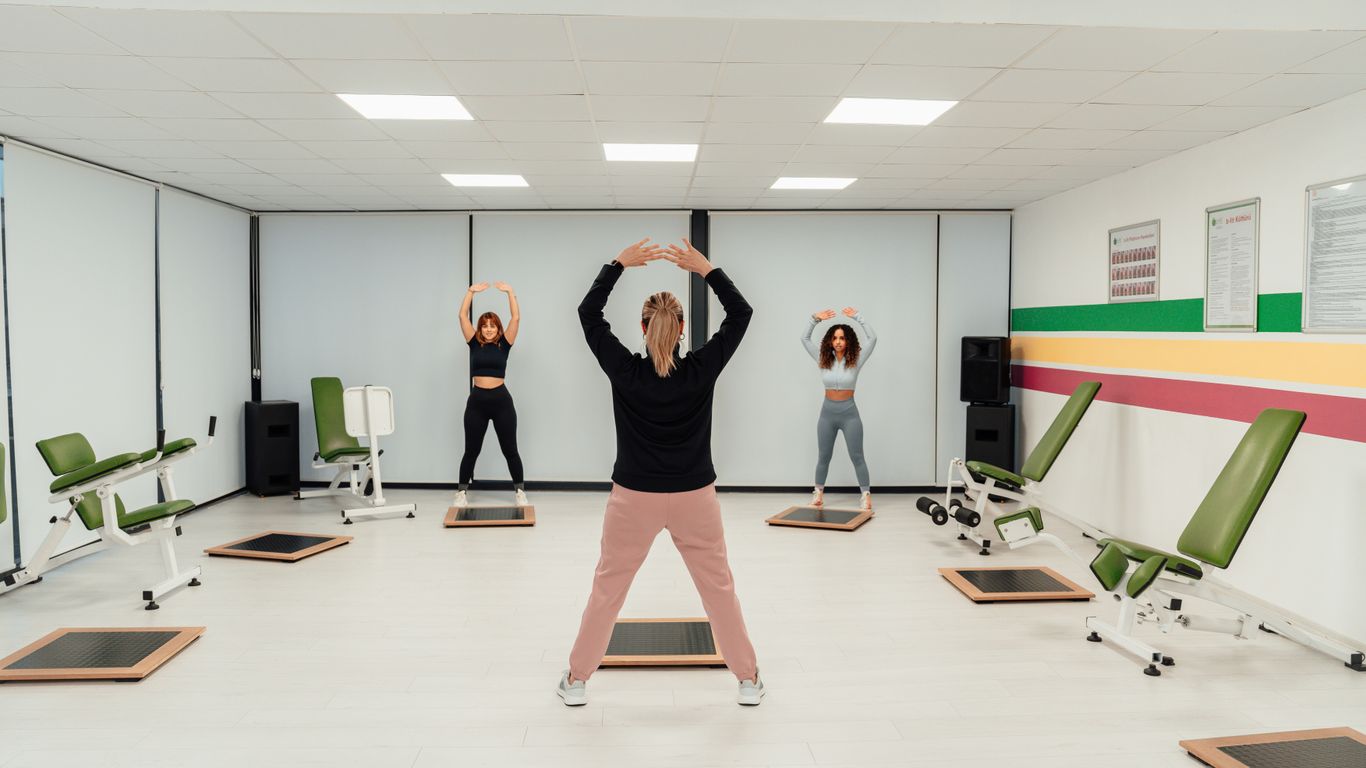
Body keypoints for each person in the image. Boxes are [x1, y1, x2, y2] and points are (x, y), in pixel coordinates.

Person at [558, 238, 763, 707]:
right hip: (696, 497)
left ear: (643, 326)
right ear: (683, 328)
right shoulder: (701, 369)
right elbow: (741, 314)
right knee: (719, 590)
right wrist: (706, 269)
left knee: (607, 590)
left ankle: (576, 681)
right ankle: (748, 681)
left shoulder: (626, 372)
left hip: (633, 498)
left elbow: (588, 315)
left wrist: (617, 266)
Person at [454, 281, 527, 508]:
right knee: (471, 451)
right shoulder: (474, 343)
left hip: (501, 402)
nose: (488, 329)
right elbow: (461, 316)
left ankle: (520, 492)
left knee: (510, 450)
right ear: (480, 328)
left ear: (498, 328)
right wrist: (470, 292)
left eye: (492, 326)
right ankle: (461, 493)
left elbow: (515, 318)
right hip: (477, 402)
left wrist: (511, 293)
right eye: (484, 326)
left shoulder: (505, 344)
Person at [801, 307, 877, 512]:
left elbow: (873, 338)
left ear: (848, 341)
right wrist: (814, 319)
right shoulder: (822, 358)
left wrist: (858, 317)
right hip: (827, 414)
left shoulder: (856, 360)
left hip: (849, 413)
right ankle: (818, 495)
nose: (838, 341)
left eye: (842, 338)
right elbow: (805, 339)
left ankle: (866, 495)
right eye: (834, 338)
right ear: (830, 341)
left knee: (857, 456)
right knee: (823, 456)